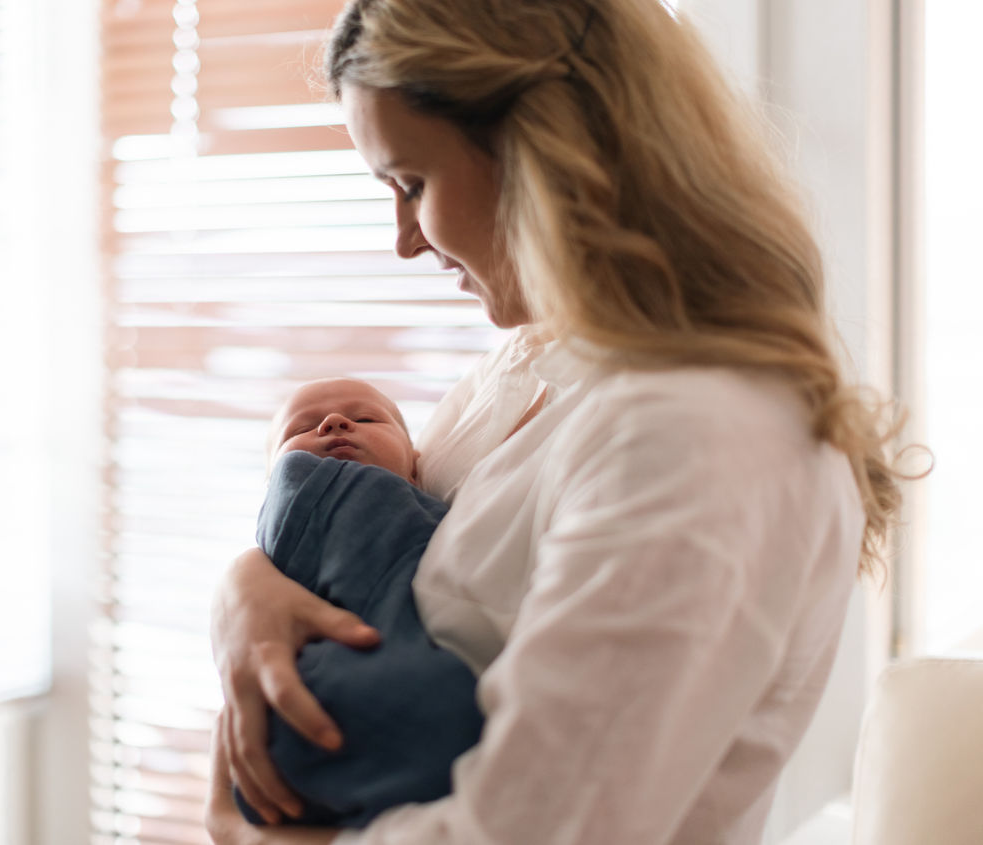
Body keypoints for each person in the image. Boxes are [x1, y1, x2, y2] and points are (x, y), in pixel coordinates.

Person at [206, 1, 908, 843]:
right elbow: (383, 549)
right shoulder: (519, 372)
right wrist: (246, 589)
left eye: (412, 184)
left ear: (538, 150)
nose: (404, 240)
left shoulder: (701, 432)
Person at [236, 377, 483, 828]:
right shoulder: (309, 494)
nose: (335, 423)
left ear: (414, 467)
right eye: (302, 429)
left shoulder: (435, 512)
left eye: (366, 418)